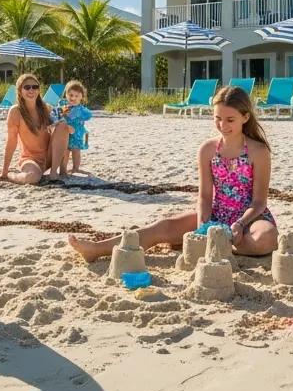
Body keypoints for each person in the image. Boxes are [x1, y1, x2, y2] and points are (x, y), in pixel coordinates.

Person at [68, 85, 277, 260]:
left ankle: (222, 245)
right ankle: (96, 250)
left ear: (245, 117)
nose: (222, 125)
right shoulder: (207, 149)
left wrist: (239, 225)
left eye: (230, 120)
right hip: (216, 215)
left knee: (265, 239)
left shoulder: (258, 151)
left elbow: (259, 202)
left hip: (249, 220)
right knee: (163, 227)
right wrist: (203, 225)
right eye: (217, 118)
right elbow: (204, 196)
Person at [0, 72, 67, 184]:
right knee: (32, 178)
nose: (31, 90)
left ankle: (54, 173)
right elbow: (11, 142)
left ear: (39, 90)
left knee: (63, 125)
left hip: (49, 157)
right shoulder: (15, 111)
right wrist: (4, 172)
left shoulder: (47, 108)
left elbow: (64, 129)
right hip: (30, 160)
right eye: (27, 87)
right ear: (20, 90)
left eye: (35, 87)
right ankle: (11, 175)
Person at [52, 79, 93, 176]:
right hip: (65, 132)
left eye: (76, 96)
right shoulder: (65, 106)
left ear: (81, 97)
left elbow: (88, 115)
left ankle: (76, 168)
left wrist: (78, 113)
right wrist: (63, 113)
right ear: (66, 95)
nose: (73, 98)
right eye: (71, 95)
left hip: (77, 132)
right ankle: (64, 169)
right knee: (65, 151)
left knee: (76, 151)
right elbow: (55, 115)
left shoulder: (81, 109)